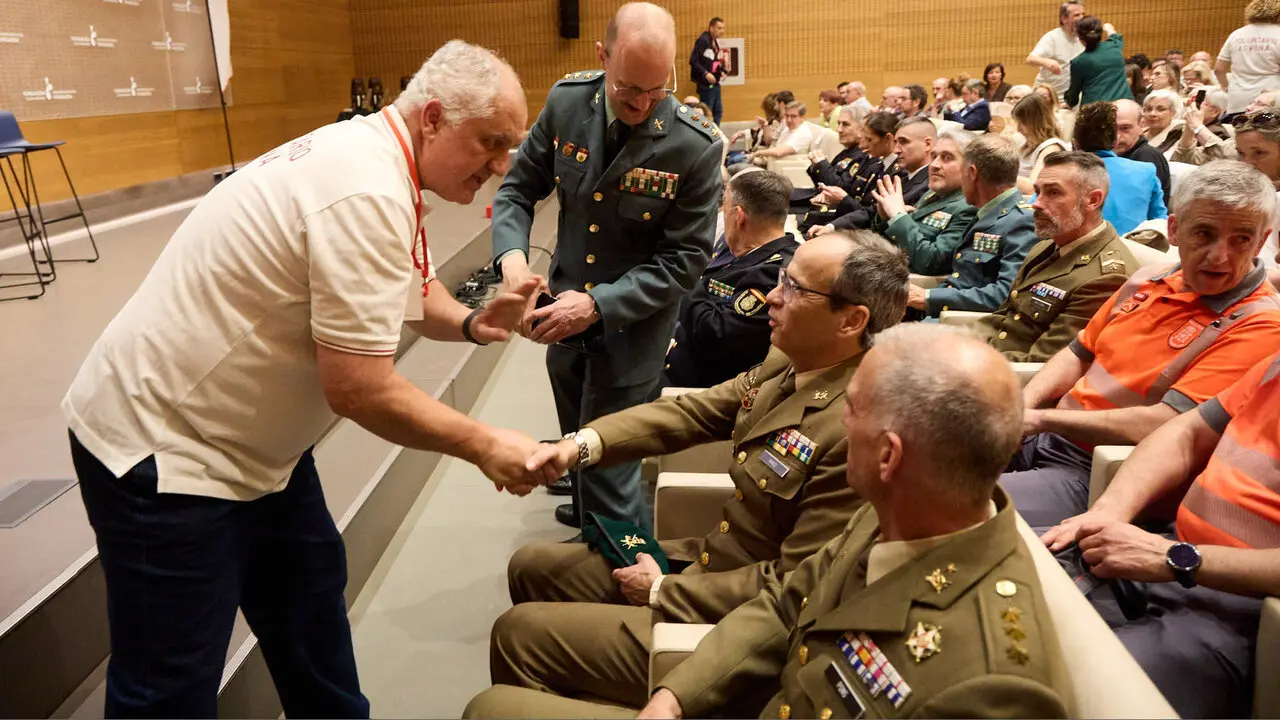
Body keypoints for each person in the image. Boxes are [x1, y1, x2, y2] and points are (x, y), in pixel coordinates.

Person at [62, 40, 548, 718]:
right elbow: (359, 389)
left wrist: (472, 325)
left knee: (312, 622)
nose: (501, 166)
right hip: (167, 452)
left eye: (510, 148)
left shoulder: (383, 160)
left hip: (258, 455)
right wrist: (483, 443)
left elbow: (413, 288)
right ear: (433, 116)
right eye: (490, 144)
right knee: (167, 690)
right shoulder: (365, 187)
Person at [465, 323, 1072, 719]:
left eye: (854, 412)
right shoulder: (904, 513)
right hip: (748, 680)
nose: (841, 423)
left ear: (889, 456)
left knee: (492, 709)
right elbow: (787, 604)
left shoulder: (993, 683)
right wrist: (676, 695)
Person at [465, 232, 908, 714]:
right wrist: (579, 446)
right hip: (707, 561)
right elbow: (693, 414)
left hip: (732, 617)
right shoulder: (789, 360)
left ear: (852, 320)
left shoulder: (856, 429)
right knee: (531, 567)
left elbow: (793, 586)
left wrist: (662, 590)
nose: (773, 296)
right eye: (782, 278)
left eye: (797, 289)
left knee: (518, 636)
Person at [492, 2, 723, 531]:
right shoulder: (568, 101)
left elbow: (685, 261)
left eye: (656, 89)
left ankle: (621, 588)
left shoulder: (696, 145)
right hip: (561, 325)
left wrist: (598, 304)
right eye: (628, 89)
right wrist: (512, 263)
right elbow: (516, 190)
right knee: (575, 438)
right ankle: (588, 520)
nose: (643, 103)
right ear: (603, 56)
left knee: (610, 475)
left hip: (631, 333)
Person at [1002, 161, 1280, 530]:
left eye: (1241, 239)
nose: (1219, 256)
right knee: (920, 466)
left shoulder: (1259, 323)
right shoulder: (1147, 279)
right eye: (1205, 233)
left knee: (948, 506)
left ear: (1261, 241)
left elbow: (1165, 424)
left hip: (1097, 470)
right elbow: (1077, 353)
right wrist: (1024, 407)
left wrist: (1038, 418)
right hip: (1044, 435)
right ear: (1174, 229)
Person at [1041, 348, 1280, 718]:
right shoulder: (1272, 363)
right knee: (998, 585)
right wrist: (1109, 512)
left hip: (1244, 612)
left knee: (1054, 696)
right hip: (1168, 552)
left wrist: (1176, 559)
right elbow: (1185, 433)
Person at [976, 152, 1136, 362]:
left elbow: (1045, 364)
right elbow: (1003, 316)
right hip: (991, 355)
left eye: (1053, 193)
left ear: (1093, 200)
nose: (1036, 203)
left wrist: (972, 364)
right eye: (1037, 191)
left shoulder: (1105, 278)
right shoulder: (1047, 246)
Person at [664, 170, 798, 388]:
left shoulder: (773, 272)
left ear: (738, 217)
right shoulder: (751, 255)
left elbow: (716, 334)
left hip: (698, 387)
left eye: (724, 211)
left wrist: (689, 278)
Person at [906, 134, 1037, 318]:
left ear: (972, 173)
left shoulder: (1021, 221)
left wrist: (929, 297)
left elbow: (1005, 294)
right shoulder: (986, 212)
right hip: (945, 312)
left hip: (966, 323)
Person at [868, 130, 978, 275]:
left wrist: (899, 216)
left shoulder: (969, 207)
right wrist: (886, 219)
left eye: (947, 158)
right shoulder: (933, 193)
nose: (934, 165)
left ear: (971, 167)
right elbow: (897, 241)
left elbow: (931, 262)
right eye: (933, 156)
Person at [1073, 102, 1167, 234]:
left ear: (1075, 143)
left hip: (1078, 251)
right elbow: (1160, 224)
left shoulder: (1061, 174)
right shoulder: (1147, 171)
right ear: (1116, 142)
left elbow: (1036, 212)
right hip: (1135, 252)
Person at [1215, 0, 1280, 116]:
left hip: (1238, 98)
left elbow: (1219, 69)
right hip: (1270, 100)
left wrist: (1225, 86)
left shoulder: (1236, 35)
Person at [1114, 98, 1172, 205]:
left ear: (1141, 126)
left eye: (1125, 128)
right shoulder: (1112, 155)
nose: (1117, 136)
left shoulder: (1147, 157)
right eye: (1112, 128)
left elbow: (1138, 208)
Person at [1065, 16, 1133, 107]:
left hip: (1095, 110)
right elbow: (1116, 35)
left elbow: (1073, 97)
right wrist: (1109, 28)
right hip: (1124, 106)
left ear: (1080, 38)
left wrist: (1067, 101)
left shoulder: (1078, 62)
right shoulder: (1115, 46)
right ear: (1100, 33)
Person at [1027, 1, 1086, 99]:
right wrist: (1046, 61)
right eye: (1076, 15)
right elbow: (1030, 59)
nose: (1082, 18)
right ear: (1064, 18)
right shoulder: (1052, 37)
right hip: (1048, 98)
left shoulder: (1084, 38)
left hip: (1071, 99)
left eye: (1083, 14)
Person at [689, 16, 726, 125]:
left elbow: (710, 61)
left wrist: (721, 69)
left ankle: (716, 133)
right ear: (711, 28)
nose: (722, 31)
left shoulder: (714, 42)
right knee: (707, 112)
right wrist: (705, 73)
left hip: (715, 83)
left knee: (718, 111)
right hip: (706, 84)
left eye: (723, 28)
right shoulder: (703, 40)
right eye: (719, 28)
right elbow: (693, 60)